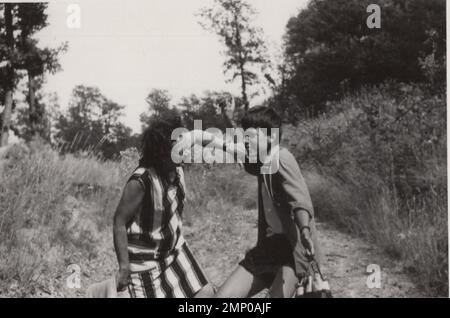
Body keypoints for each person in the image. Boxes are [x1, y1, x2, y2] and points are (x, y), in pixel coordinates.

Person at [186, 106, 327, 298]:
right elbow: (234, 150)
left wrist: (304, 229)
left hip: (293, 250)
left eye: (250, 137)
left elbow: (299, 199)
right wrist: (204, 137)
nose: (245, 142)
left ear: (270, 137)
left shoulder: (282, 158)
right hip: (270, 247)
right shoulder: (261, 161)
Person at [112, 112, 215, 298]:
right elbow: (119, 221)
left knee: (206, 293)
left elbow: (201, 137)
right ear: (163, 150)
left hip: (174, 252)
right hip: (144, 263)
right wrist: (124, 267)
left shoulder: (177, 172)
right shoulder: (142, 180)